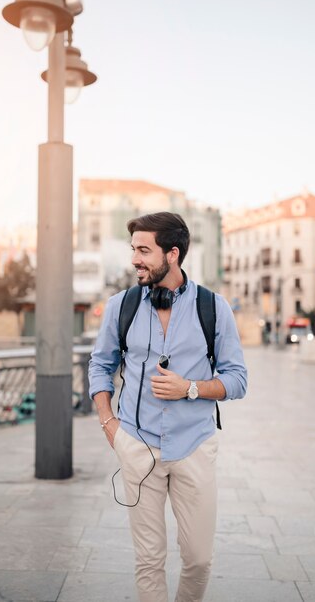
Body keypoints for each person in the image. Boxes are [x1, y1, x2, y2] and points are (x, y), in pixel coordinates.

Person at [89, 212, 247, 602]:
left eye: (144, 250)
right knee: (149, 559)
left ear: (172, 254)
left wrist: (189, 388)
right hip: (136, 447)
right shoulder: (120, 306)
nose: (134, 260)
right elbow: (100, 365)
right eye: (133, 250)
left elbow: (238, 380)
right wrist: (110, 424)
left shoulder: (214, 308)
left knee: (198, 560)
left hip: (194, 447)